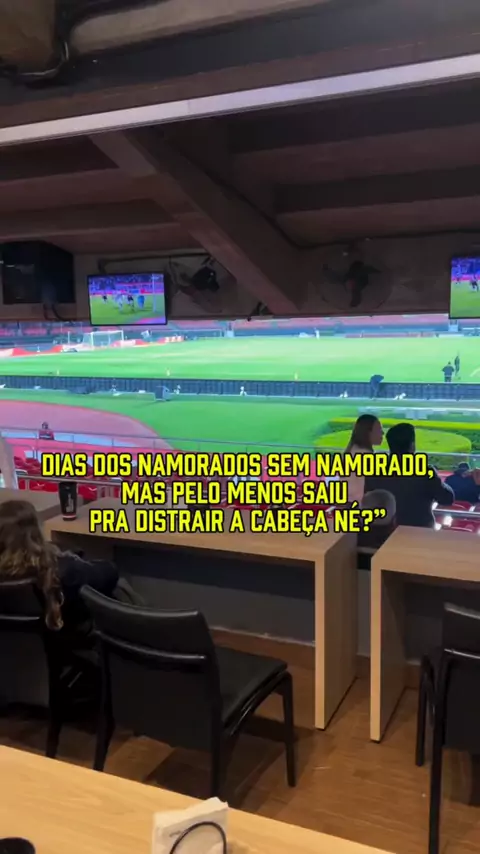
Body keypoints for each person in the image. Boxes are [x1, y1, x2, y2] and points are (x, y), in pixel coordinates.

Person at [0, 500, 119, 650]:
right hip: (61, 647)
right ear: (36, 533)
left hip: (11, 654)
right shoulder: (63, 570)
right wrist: (70, 558)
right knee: (118, 590)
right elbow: (110, 573)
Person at [365, 423, 454, 528]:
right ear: (412, 446)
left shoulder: (375, 469)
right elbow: (447, 499)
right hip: (418, 531)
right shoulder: (424, 471)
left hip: (384, 531)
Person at [345, 414, 384, 504]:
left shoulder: (352, 450)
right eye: (378, 430)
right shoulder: (366, 456)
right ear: (367, 432)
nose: (382, 433)